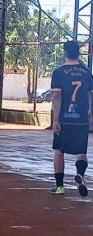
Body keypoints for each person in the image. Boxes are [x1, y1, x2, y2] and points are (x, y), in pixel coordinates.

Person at [49, 40, 93, 197]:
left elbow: (57, 96)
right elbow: (89, 94)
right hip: (81, 118)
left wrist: (55, 119)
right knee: (81, 152)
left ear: (64, 53)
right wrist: (90, 112)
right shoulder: (87, 72)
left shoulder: (59, 72)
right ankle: (80, 174)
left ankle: (59, 186)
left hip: (64, 118)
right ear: (79, 53)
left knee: (59, 151)